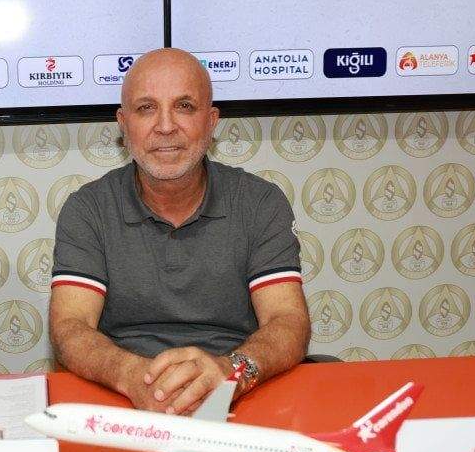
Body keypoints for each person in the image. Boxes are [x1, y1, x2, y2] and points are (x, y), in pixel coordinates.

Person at [50, 48, 310, 415]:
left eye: (184, 106)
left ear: (212, 121)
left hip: (238, 388)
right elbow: (70, 327)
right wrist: (133, 376)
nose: (166, 126)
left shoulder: (260, 202)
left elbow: (288, 321)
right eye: (146, 108)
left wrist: (232, 373)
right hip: (122, 393)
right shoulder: (88, 208)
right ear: (123, 124)